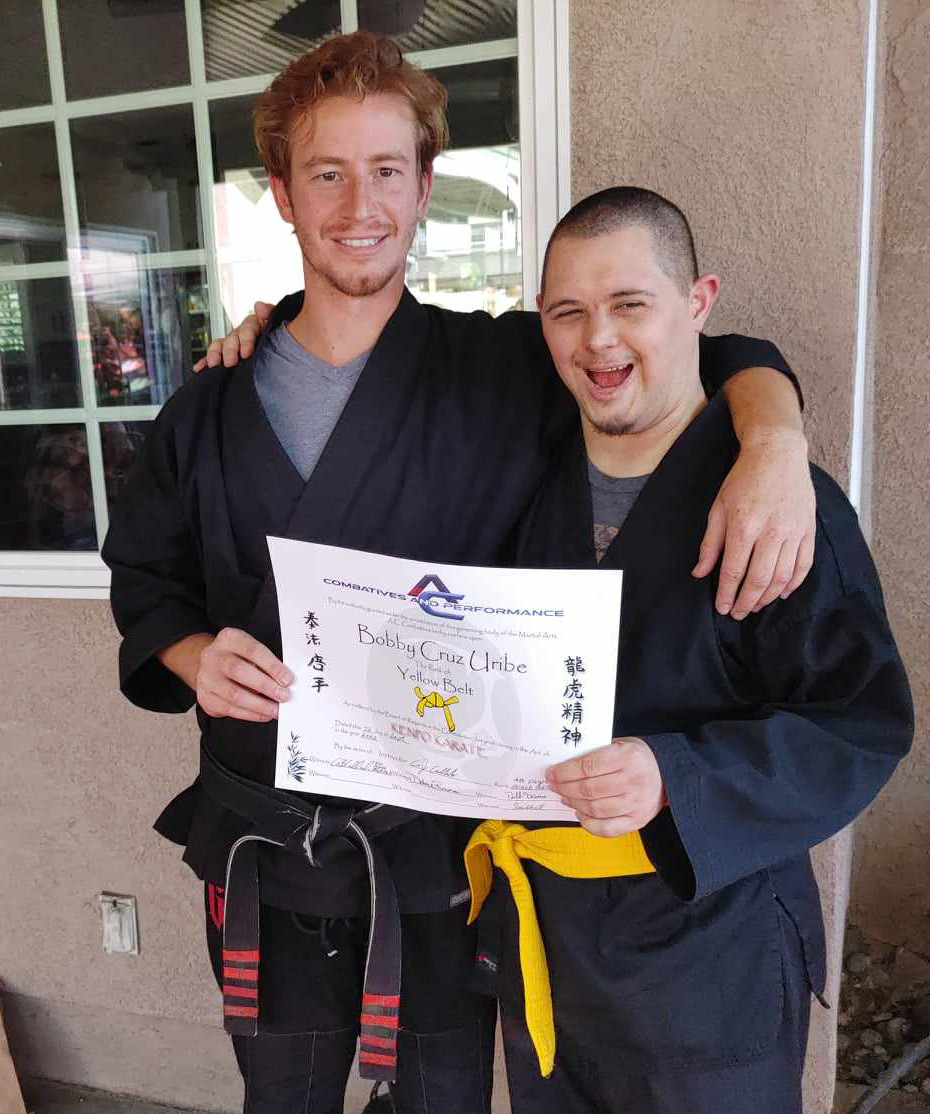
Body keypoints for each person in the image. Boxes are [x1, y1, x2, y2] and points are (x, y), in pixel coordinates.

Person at [103, 32, 814, 1114]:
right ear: (284, 196)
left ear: (425, 185)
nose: (359, 205)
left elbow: (689, 350)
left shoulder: (503, 367)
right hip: (264, 834)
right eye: (326, 174)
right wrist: (192, 653)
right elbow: (145, 573)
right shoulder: (209, 404)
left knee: (439, 1097)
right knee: (279, 1096)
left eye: (387, 170)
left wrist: (772, 439)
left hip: (442, 849)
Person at [460, 187, 913, 1114]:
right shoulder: (524, 471)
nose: (599, 342)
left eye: (631, 305)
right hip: (544, 937)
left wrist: (677, 775)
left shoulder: (779, 506)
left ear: (699, 303)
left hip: (714, 962)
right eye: (568, 313)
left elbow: (859, 728)